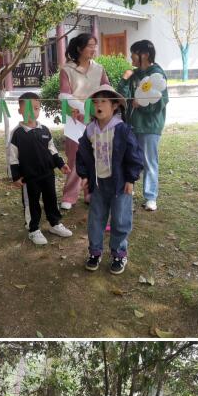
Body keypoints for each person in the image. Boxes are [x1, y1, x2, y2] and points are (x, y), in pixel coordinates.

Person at [76, 86, 144, 275]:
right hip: (99, 184)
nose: (98, 105)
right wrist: (84, 175)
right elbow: (82, 154)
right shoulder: (90, 130)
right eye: (95, 102)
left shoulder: (122, 130)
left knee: (120, 219)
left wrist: (130, 179)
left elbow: (134, 155)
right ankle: (95, 252)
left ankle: (119, 254)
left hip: (120, 184)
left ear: (114, 106)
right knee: (95, 219)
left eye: (103, 101)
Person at [9, 92, 72, 245]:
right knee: (32, 203)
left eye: (36, 108)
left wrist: (60, 164)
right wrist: (16, 176)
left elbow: (52, 150)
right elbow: (13, 157)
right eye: (29, 108)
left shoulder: (44, 130)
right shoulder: (17, 134)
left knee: (51, 199)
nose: (33, 112)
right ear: (20, 111)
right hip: (29, 177)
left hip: (47, 174)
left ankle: (54, 223)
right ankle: (33, 229)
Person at [58, 33, 110, 209]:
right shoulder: (67, 69)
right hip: (75, 119)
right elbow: (64, 95)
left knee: (96, 156)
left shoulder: (99, 69)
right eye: (90, 46)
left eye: (95, 45)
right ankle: (69, 196)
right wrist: (82, 108)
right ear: (80, 48)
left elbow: (106, 89)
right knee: (75, 156)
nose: (93, 49)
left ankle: (91, 192)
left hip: (97, 119)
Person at [117, 40, 168, 211]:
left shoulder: (157, 75)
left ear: (144, 55)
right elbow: (122, 97)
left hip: (149, 126)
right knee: (130, 159)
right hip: (132, 125)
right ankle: (127, 193)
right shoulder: (134, 74)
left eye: (133, 52)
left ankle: (151, 197)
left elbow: (162, 102)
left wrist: (143, 106)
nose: (130, 56)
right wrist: (124, 80)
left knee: (149, 161)